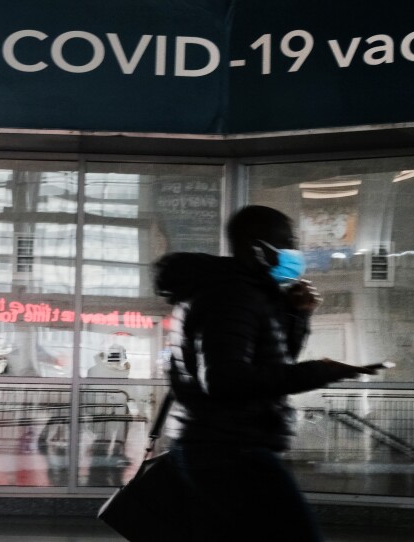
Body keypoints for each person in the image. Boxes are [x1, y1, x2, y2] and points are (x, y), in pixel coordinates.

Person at [154, 205, 383, 542]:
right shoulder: (232, 296)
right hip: (232, 451)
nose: (295, 251)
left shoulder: (246, 294)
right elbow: (226, 380)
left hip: (223, 447)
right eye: (287, 242)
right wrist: (323, 370)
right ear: (258, 248)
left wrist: (297, 315)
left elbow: (272, 364)